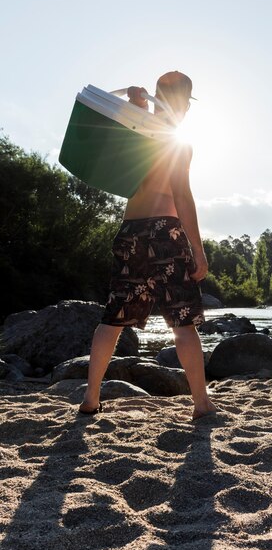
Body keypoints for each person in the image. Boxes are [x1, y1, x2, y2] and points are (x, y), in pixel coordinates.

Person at [79, 71, 217, 421]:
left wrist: (136, 105)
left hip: (130, 232)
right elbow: (182, 196)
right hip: (164, 233)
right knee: (182, 323)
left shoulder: (136, 131)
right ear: (185, 103)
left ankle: (91, 398)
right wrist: (198, 250)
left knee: (113, 320)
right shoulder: (178, 142)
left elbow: (122, 139)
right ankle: (201, 404)